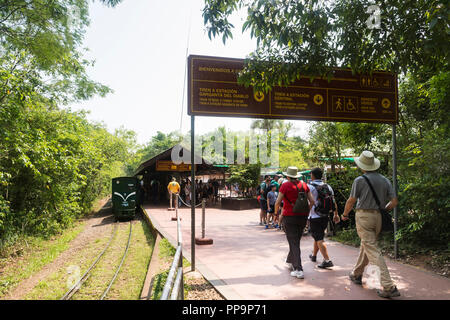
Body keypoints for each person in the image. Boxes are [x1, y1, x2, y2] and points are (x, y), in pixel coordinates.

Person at [342, 151, 400, 298]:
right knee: (367, 245)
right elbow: (394, 202)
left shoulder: (360, 180)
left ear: (362, 166)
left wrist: (345, 214)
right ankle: (356, 274)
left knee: (372, 249)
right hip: (379, 217)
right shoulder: (384, 180)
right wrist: (384, 210)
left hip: (364, 216)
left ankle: (388, 286)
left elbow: (351, 200)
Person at [275, 167, 315, 279]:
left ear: (288, 176)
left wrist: (276, 214)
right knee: (295, 240)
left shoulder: (285, 185)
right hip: (302, 217)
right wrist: (307, 211)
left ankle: (298, 269)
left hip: (289, 216)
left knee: (293, 242)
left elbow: (278, 202)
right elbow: (312, 201)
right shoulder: (304, 185)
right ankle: (289, 260)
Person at [307, 167, 340, 269]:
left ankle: (327, 260)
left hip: (314, 216)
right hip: (325, 216)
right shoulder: (328, 186)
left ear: (312, 175)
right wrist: (335, 214)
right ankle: (314, 255)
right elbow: (333, 201)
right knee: (318, 236)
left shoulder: (310, 187)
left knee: (319, 238)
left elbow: (306, 202)